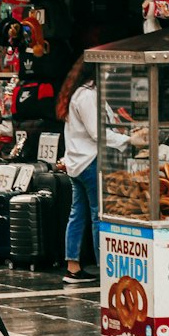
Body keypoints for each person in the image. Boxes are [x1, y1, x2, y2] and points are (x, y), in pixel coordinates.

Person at [57, 56, 130, 285]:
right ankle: (105, 268)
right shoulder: (87, 95)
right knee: (100, 214)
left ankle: (73, 266)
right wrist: (130, 139)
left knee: (78, 213)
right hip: (90, 162)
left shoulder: (78, 93)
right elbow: (98, 133)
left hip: (77, 162)